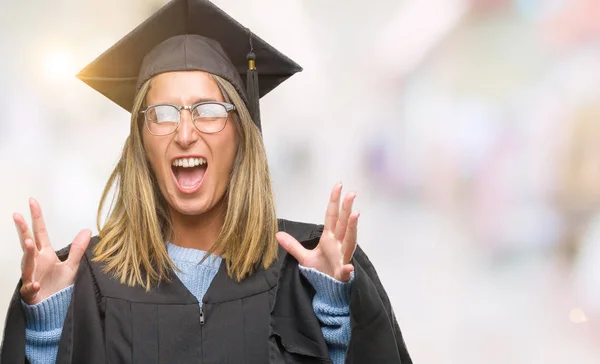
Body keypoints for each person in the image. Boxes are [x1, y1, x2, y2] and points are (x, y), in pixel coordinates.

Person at [1, 0, 412, 363]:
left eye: (208, 110)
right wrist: (46, 330)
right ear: (141, 143)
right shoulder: (86, 283)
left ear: (241, 133)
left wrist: (337, 315)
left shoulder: (310, 270)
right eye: (162, 114)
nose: (184, 133)